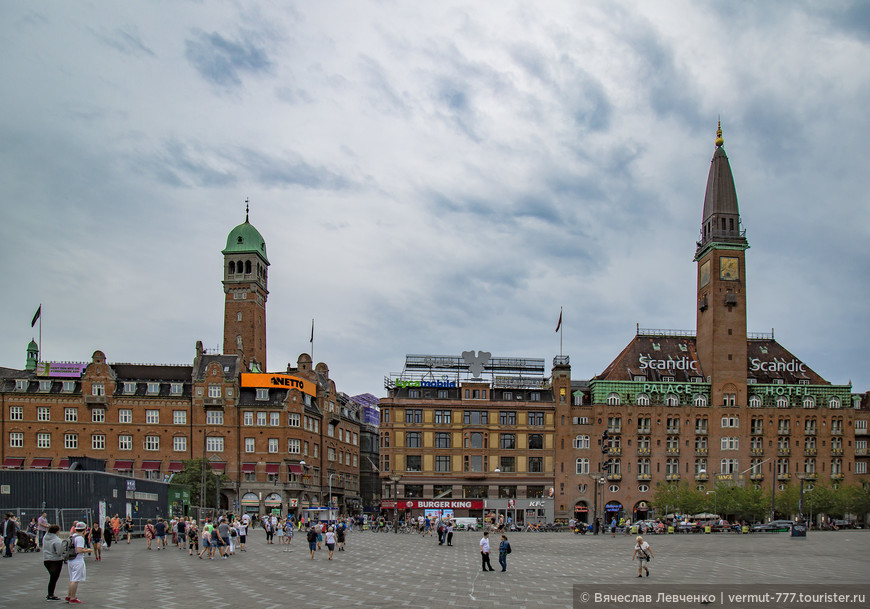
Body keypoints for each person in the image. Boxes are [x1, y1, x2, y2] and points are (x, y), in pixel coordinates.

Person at [66, 521, 92, 603]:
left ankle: (69, 595)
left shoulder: (72, 536)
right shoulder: (80, 538)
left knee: (72, 579)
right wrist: (87, 550)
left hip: (70, 560)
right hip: (77, 560)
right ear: (84, 530)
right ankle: (73, 597)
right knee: (75, 579)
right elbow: (79, 550)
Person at [42, 524, 64, 601]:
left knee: (52, 577)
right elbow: (59, 552)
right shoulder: (57, 540)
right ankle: (50, 594)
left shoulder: (45, 537)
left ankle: (50, 594)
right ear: (57, 531)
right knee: (54, 578)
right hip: (55, 560)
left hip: (46, 559)